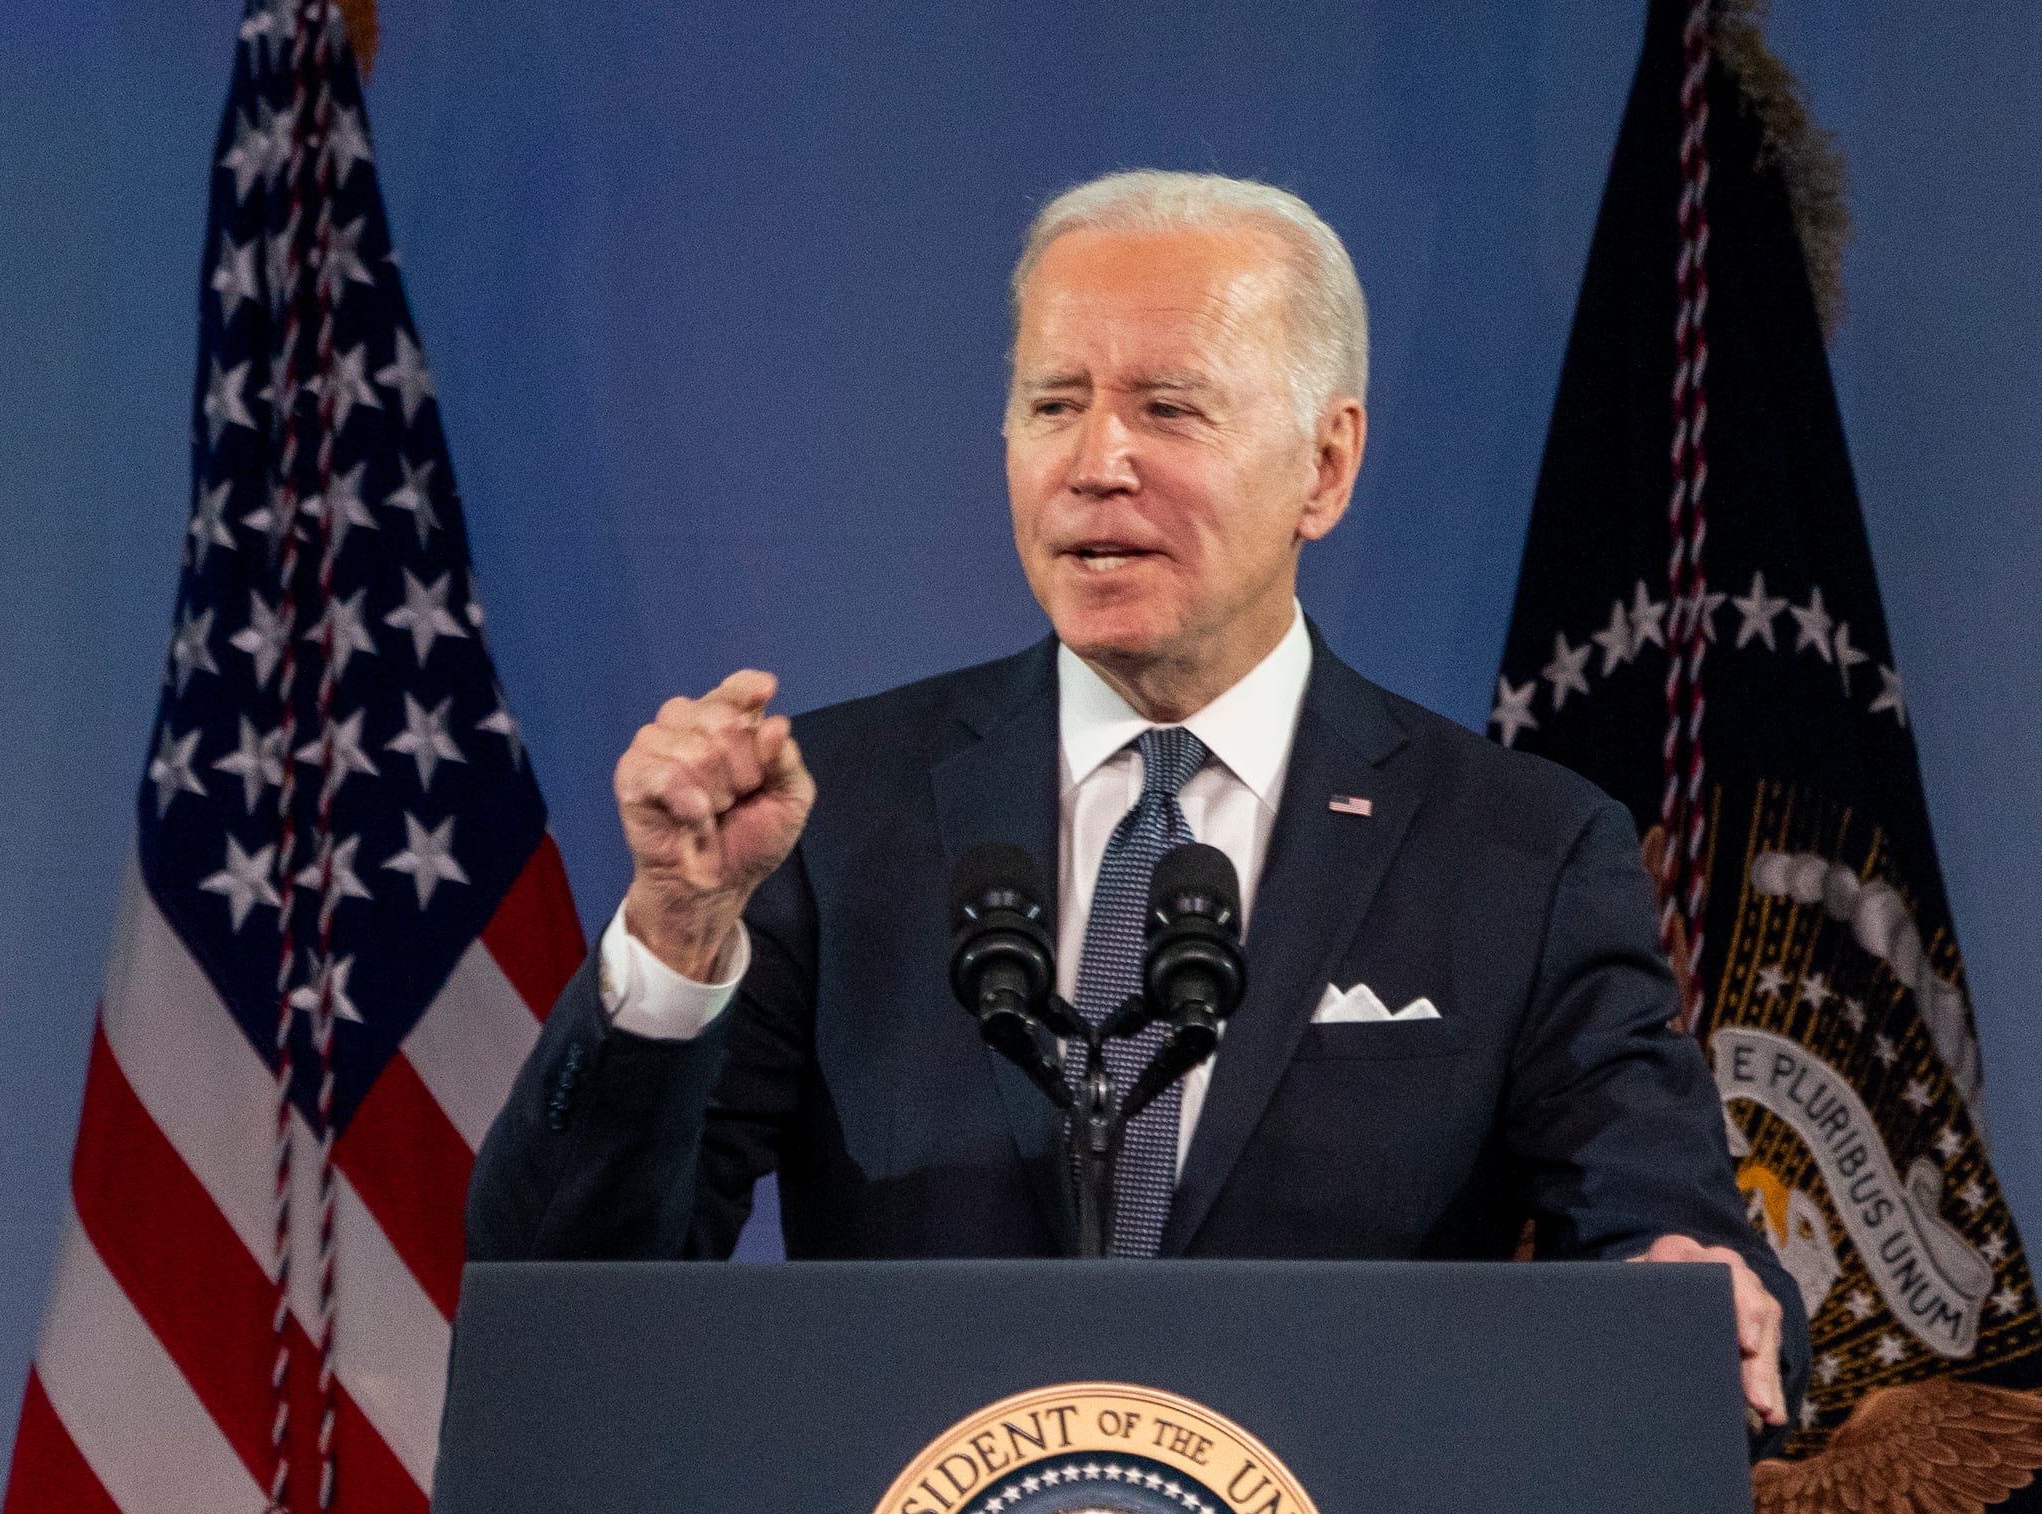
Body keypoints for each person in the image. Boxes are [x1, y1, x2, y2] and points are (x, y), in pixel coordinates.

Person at [468, 170, 1805, 1433]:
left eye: (1169, 407)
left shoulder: (1520, 849)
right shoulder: (835, 811)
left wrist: (1692, 1288)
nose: (1097, 461)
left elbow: (1672, 1242)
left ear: (1324, 467)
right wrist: (675, 941)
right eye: (1053, 404)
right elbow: (568, 1296)